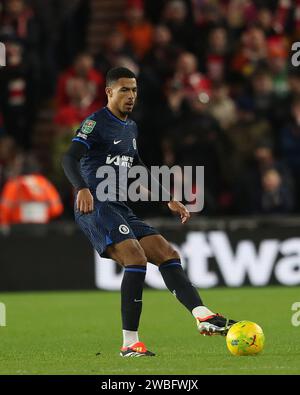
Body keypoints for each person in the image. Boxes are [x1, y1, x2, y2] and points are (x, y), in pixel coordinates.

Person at [62, 67, 235, 357]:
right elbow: (70, 157)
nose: (131, 96)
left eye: (134, 90)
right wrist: (81, 188)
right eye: (124, 90)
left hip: (119, 207)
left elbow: (137, 166)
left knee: (167, 253)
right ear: (109, 92)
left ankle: (203, 315)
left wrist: (168, 198)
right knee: (136, 258)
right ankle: (130, 344)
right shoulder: (95, 123)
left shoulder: (130, 127)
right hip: (96, 207)